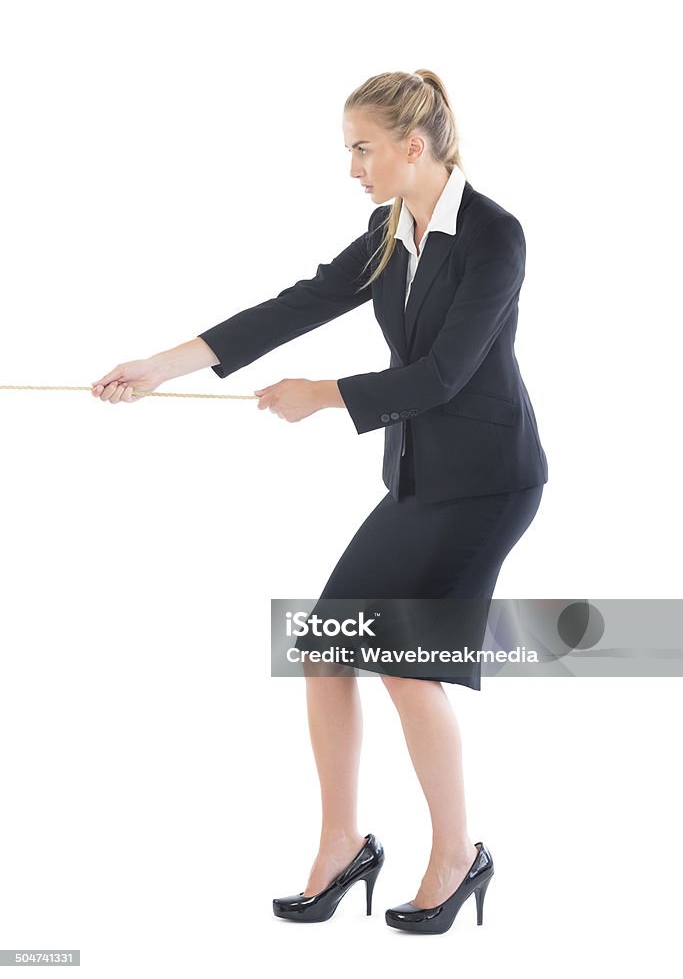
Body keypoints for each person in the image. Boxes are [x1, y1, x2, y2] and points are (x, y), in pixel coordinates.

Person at [91, 69, 548, 935]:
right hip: (417, 481)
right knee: (327, 646)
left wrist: (323, 394)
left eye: (361, 148)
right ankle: (343, 844)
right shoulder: (386, 230)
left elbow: (443, 375)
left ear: (414, 147)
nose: (352, 167)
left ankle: (457, 856)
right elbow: (297, 305)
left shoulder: (494, 236)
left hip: (489, 481)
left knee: (406, 666)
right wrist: (159, 367)